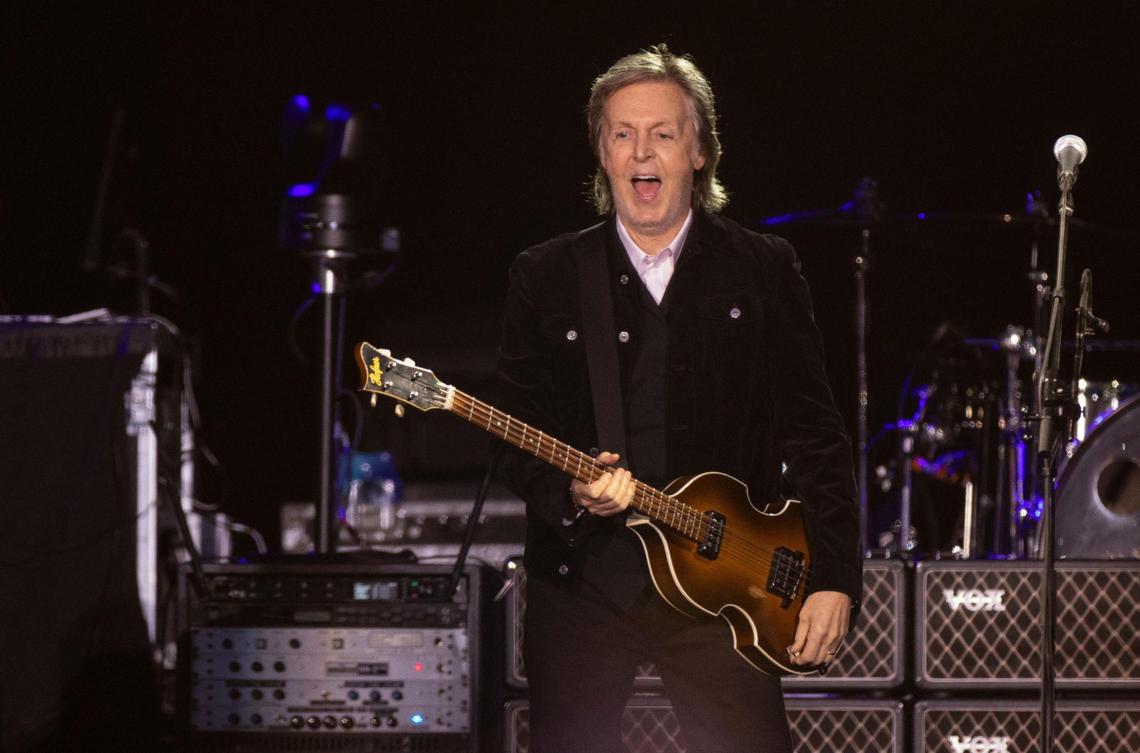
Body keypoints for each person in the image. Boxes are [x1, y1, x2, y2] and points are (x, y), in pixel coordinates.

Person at [496, 44, 862, 753]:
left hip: (728, 592)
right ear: (602, 153)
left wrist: (835, 576)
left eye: (663, 133)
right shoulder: (545, 275)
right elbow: (510, 433)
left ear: (699, 151)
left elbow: (816, 432)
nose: (642, 152)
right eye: (623, 134)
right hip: (584, 587)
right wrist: (569, 488)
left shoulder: (763, 268)